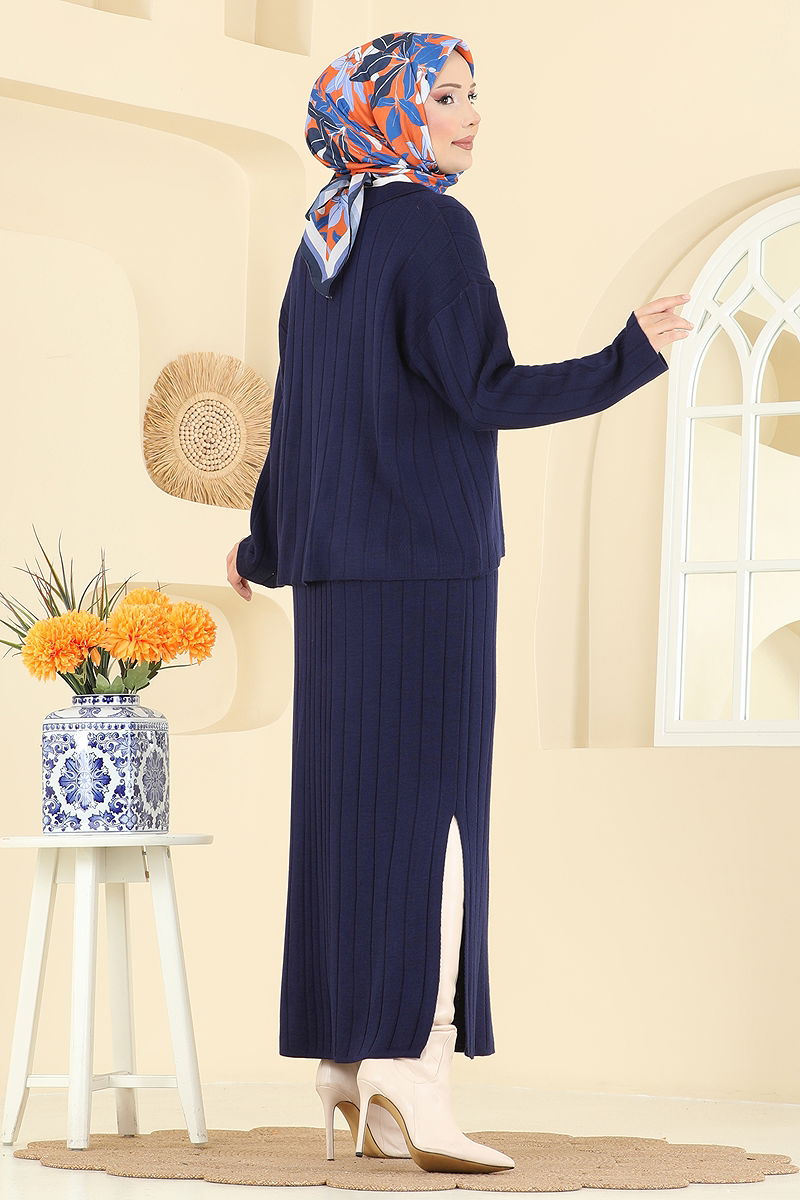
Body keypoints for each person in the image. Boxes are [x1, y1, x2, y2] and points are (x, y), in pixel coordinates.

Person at [225, 31, 692, 1174]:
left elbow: (301, 409)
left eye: (473, 94)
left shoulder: (324, 237)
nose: (470, 113)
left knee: (346, 817)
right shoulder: (431, 228)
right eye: (444, 95)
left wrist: (267, 544)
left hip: (334, 580)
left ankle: (346, 1064)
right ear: (391, 110)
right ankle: (413, 1069)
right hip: (425, 572)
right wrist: (626, 357)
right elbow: (483, 390)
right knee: (433, 820)